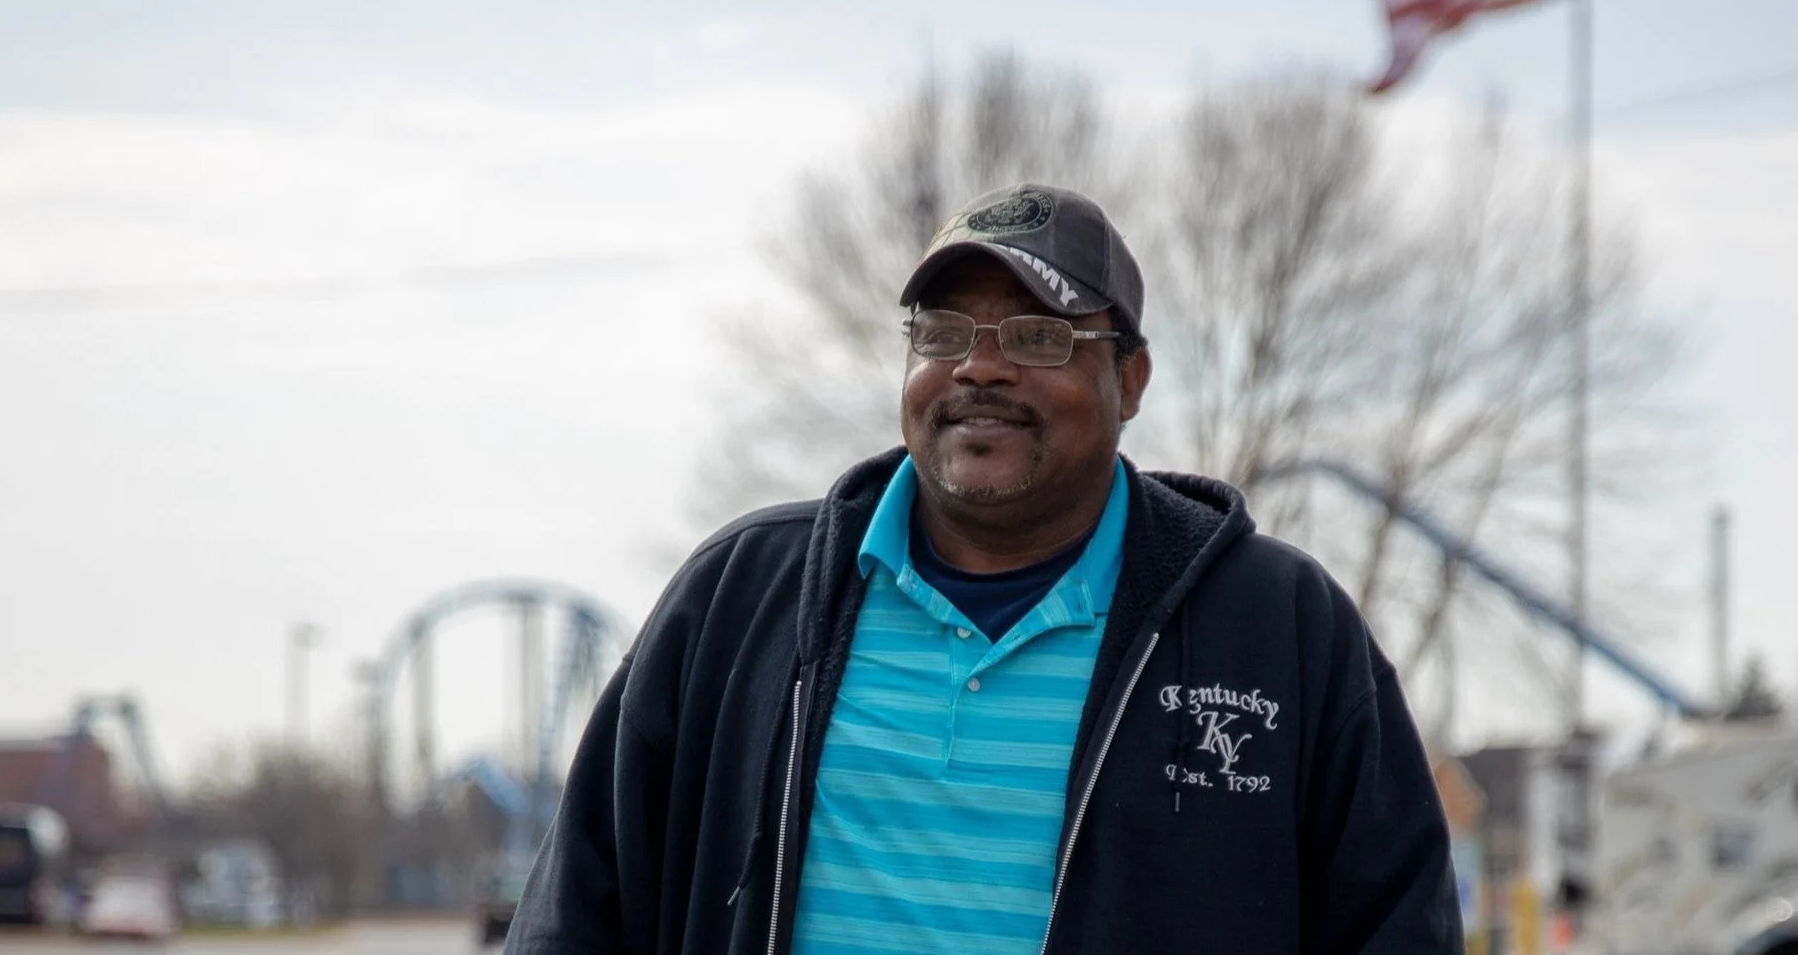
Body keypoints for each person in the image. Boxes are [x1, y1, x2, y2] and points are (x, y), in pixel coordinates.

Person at [506, 183, 1463, 954]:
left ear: (1129, 381)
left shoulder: (1280, 626)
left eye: (1040, 336)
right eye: (943, 333)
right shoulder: (741, 598)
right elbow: (578, 912)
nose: (979, 369)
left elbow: (1395, 926)